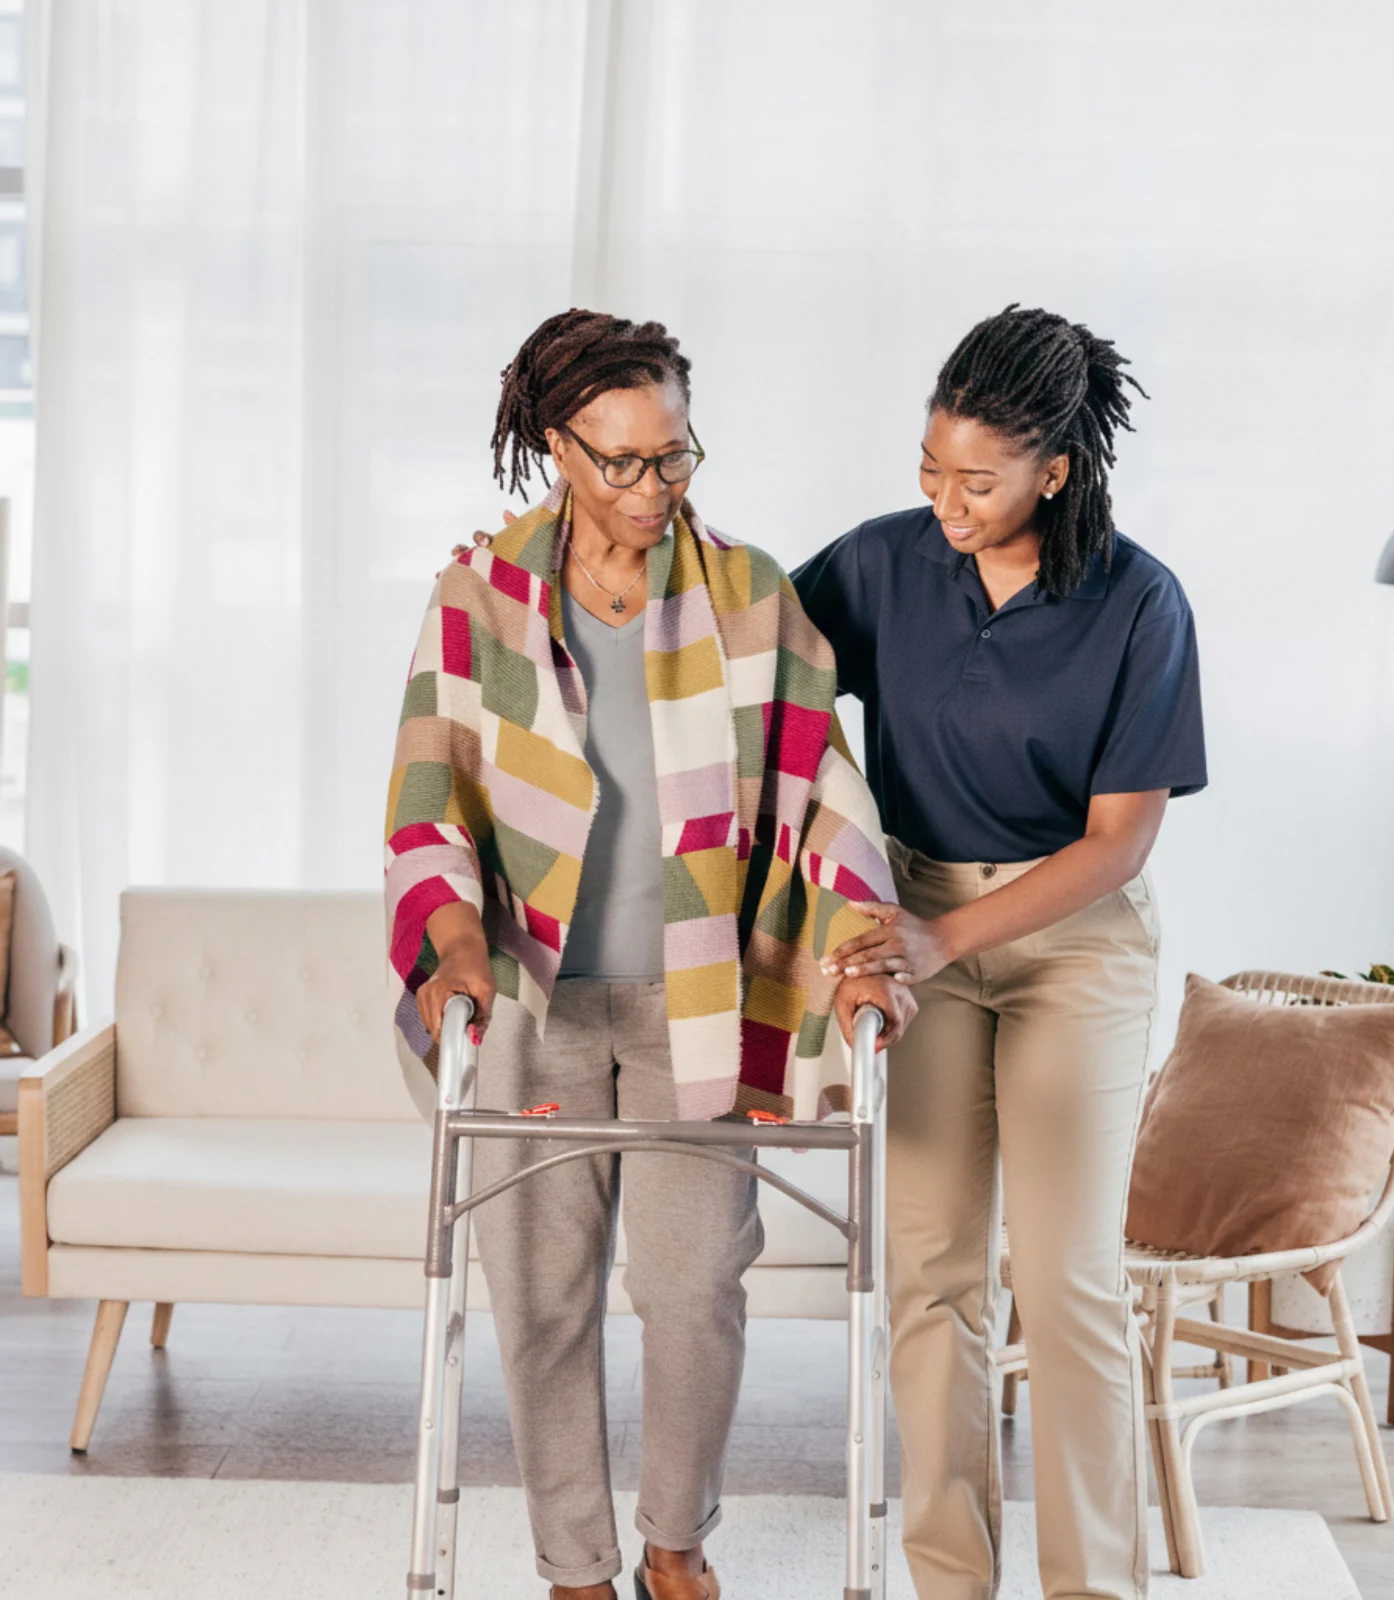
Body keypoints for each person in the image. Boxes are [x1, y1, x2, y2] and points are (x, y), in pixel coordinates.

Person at [384, 309, 914, 1600]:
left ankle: (677, 1544)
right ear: (556, 447)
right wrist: (451, 939)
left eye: (673, 454)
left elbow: (823, 787)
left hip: (698, 1001)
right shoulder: (480, 598)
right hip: (533, 1001)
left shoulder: (750, 597)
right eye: (619, 459)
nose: (650, 485)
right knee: (541, 1298)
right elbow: (426, 799)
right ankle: (576, 1569)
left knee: (692, 1292)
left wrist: (862, 944)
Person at [791, 305, 1207, 1600]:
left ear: (1056, 471)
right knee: (928, 1276)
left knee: (1068, 1281)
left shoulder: (1140, 603)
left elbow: (1117, 844)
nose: (946, 500)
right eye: (932, 468)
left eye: (978, 479)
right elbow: (742, 653)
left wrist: (942, 939)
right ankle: (949, 1583)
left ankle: (1093, 1588)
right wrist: (555, 570)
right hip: (913, 915)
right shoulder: (883, 565)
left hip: (1072, 945)